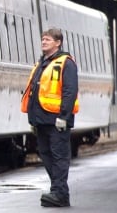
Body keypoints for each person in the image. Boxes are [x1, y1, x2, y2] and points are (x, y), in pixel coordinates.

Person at [21, 28, 79, 208]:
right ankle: (58, 190)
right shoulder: (42, 64)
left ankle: (60, 193)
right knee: (46, 156)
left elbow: (70, 92)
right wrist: (33, 120)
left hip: (57, 121)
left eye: (47, 39)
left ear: (58, 42)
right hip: (41, 121)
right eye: (43, 39)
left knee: (58, 156)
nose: (43, 42)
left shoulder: (66, 63)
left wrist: (64, 116)